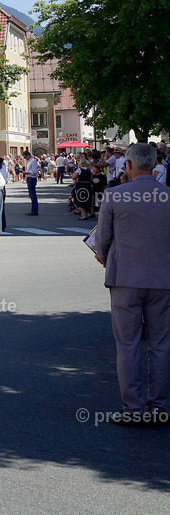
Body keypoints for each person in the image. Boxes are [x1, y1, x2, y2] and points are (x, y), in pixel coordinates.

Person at [94, 143, 170, 421]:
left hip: (125, 277)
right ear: (154, 164)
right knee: (161, 344)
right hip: (163, 279)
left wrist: (104, 258)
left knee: (128, 344)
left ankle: (134, 409)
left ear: (127, 165)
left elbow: (102, 239)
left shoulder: (114, 195)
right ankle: (159, 408)